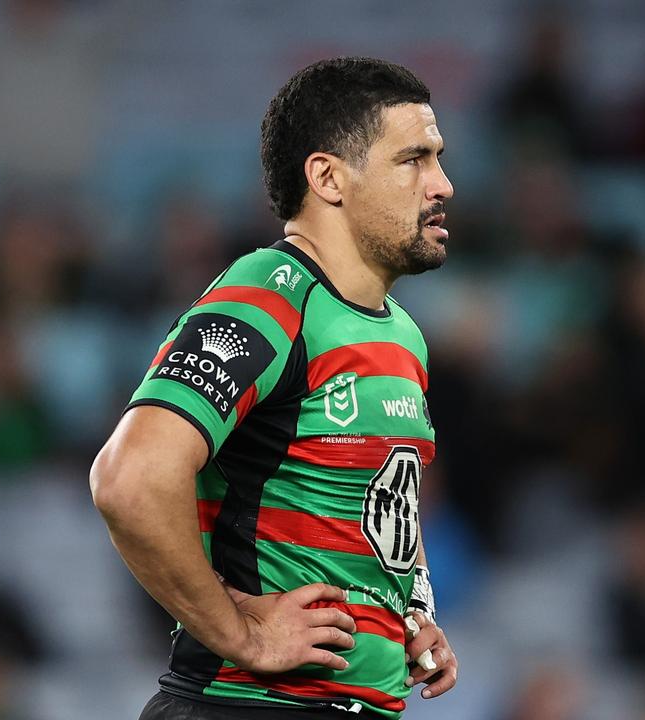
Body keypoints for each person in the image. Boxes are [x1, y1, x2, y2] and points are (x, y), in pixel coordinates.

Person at [90, 57, 458, 719]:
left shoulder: (403, 334)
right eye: (414, 160)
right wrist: (241, 635)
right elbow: (130, 478)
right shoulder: (268, 296)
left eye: (438, 158)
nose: (444, 184)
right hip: (248, 704)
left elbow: (375, 497)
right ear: (327, 177)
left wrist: (410, 611)